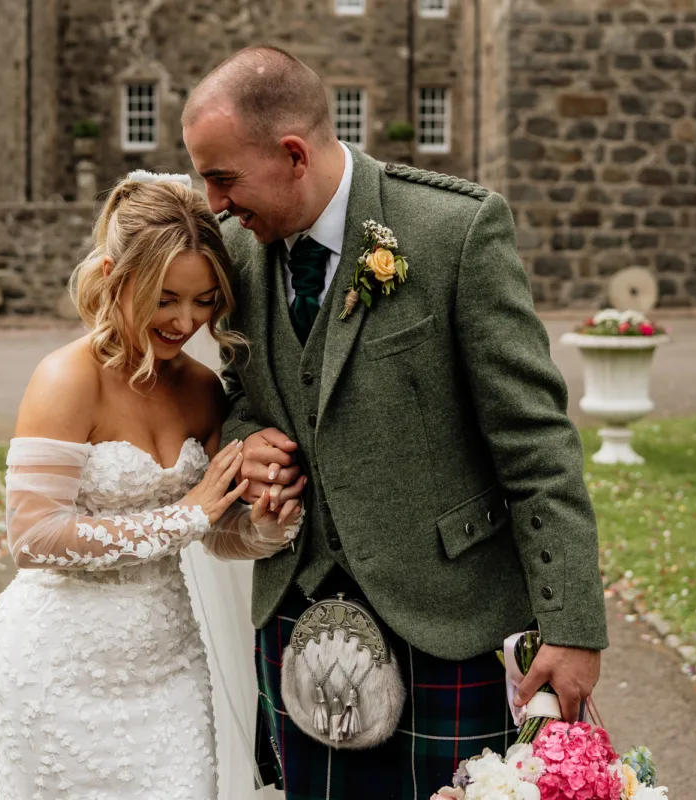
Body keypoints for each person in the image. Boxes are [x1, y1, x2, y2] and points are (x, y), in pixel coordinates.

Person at [181, 47, 609, 799]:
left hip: (448, 621)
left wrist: (572, 627)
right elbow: (243, 388)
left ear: (291, 155)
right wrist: (249, 440)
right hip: (299, 614)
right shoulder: (240, 255)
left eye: (222, 177)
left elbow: (537, 444)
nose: (213, 202)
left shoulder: (454, 230)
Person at [0, 172, 304, 800]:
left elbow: (219, 532)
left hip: (170, 664)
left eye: (206, 300)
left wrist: (267, 522)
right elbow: (31, 537)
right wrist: (183, 517)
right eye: (164, 297)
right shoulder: (65, 380)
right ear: (113, 275)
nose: (186, 320)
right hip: (57, 664)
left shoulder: (201, 389)